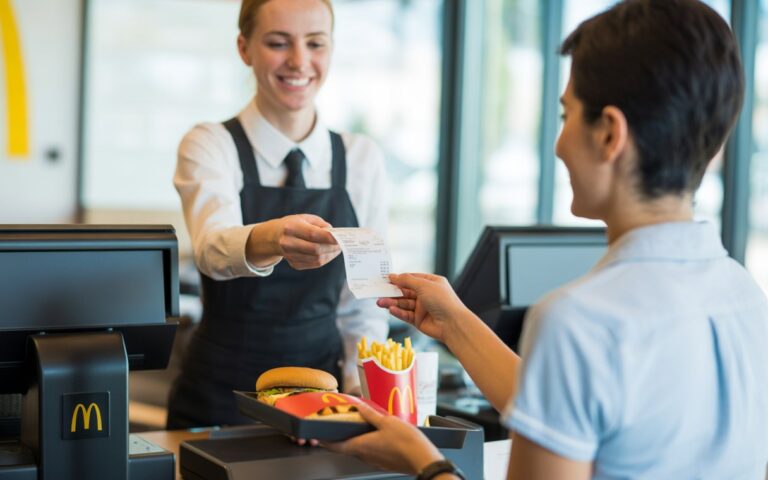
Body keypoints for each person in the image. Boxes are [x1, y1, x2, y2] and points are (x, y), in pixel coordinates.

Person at [328, 1, 768, 478]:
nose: (558, 145)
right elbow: (578, 407)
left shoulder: (580, 320)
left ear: (609, 135)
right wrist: (455, 322)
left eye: (566, 115)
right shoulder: (743, 294)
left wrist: (424, 462)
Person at [168, 0, 389, 429]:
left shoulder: (361, 157)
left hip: (323, 397)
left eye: (315, 43)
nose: (299, 61)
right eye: (278, 43)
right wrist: (273, 239)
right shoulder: (210, 144)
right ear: (244, 48)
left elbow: (364, 300)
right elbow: (212, 249)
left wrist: (357, 390)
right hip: (218, 396)